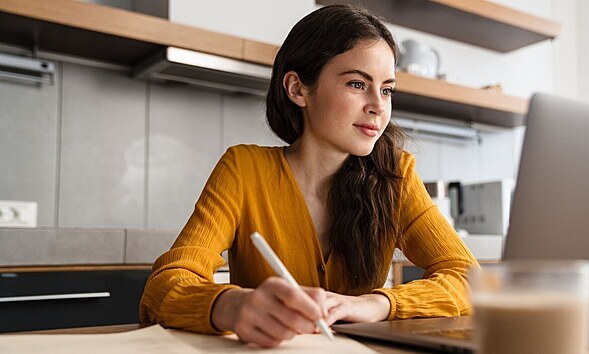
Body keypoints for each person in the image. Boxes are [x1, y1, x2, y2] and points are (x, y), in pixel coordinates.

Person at [140, 4, 478, 348]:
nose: (378, 105)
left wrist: (375, 304)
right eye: (358, 83)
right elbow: (164, 285)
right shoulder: (243, 169)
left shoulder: (396, 176)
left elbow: (469, 280)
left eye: (387, 89)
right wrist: (232, 305)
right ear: (298, 89)